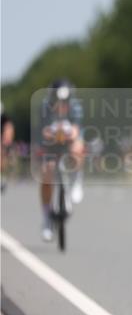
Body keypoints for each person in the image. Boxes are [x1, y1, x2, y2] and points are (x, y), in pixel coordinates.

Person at [38, 79, 85, 241]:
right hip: (51, 143)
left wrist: (68, 135)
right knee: (47, 173)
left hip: (70, 141)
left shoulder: (76, 107)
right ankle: (46, 219)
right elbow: (44, 131)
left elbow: (76, 130)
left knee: (77, 148)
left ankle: (77, 179)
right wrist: (52, 135)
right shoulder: (45, 107)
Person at [1, 101, 14, 192]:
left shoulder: (5, 120)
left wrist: (6, 142)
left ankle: (2, 178)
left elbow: (9, 130)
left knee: (2, 159)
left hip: (3, 142)